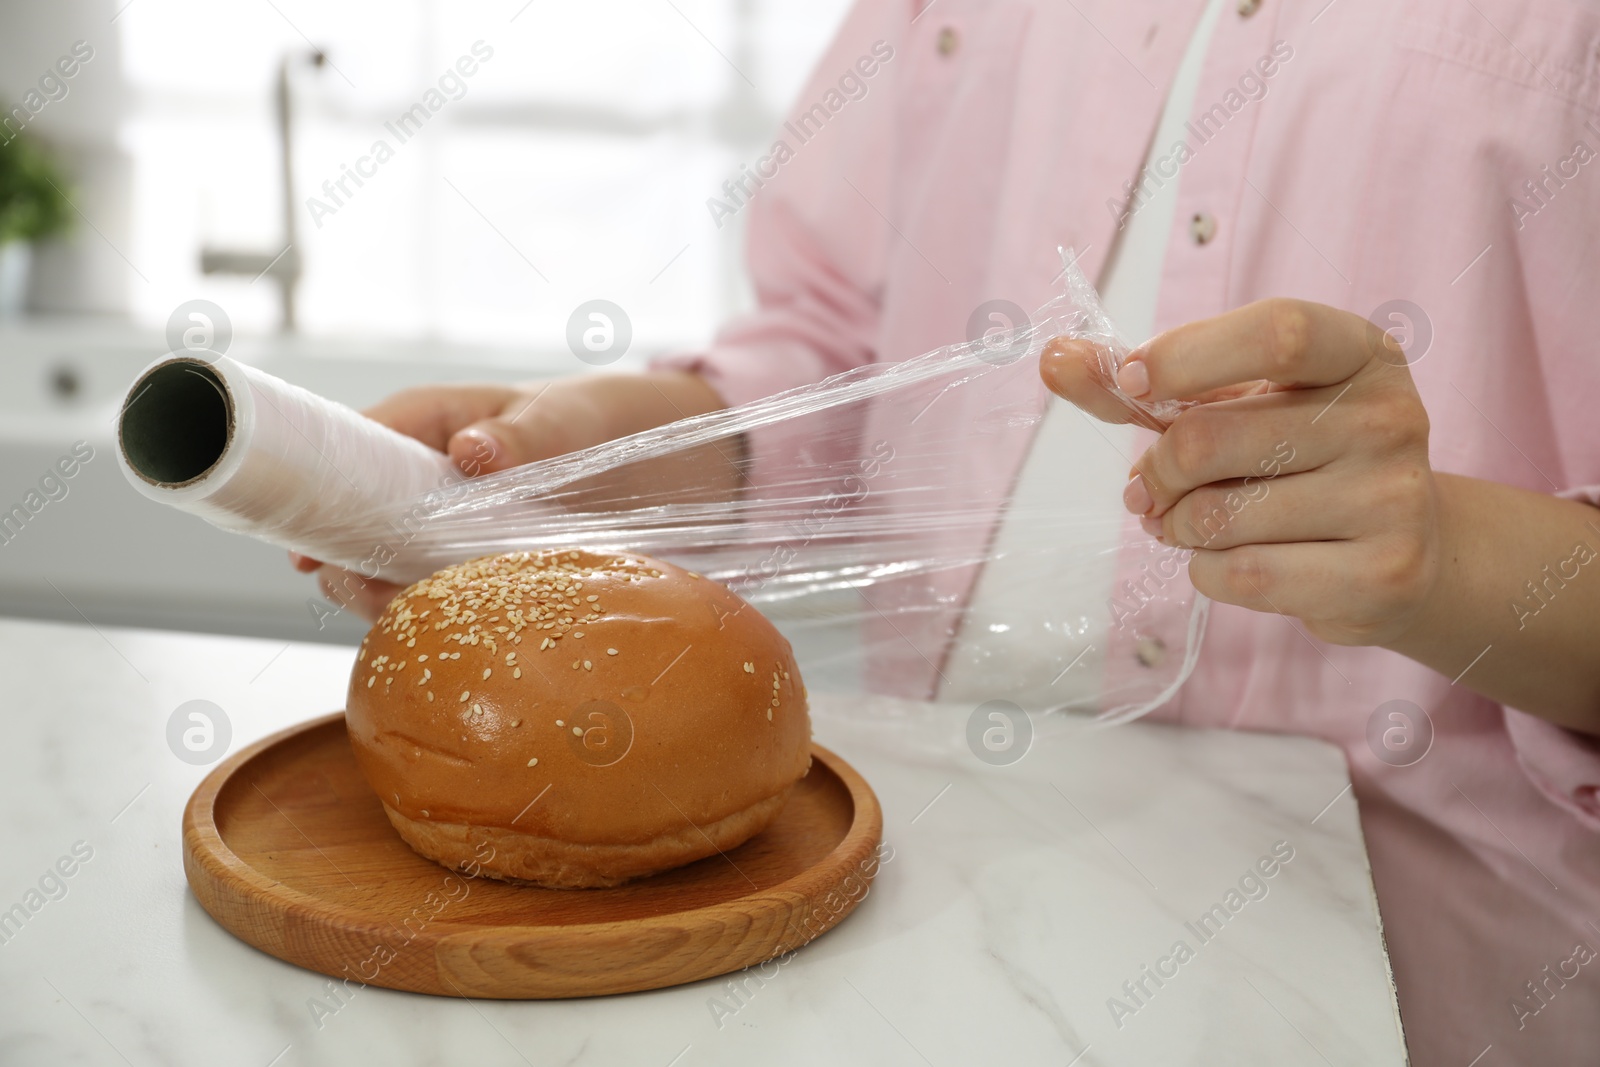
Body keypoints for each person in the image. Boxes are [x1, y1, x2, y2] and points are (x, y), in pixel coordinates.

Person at [294, 0, 1600, 1062]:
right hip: (913, 921)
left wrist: (1442, 556)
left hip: (1419, 987)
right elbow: (829, 357)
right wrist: (599, 451)